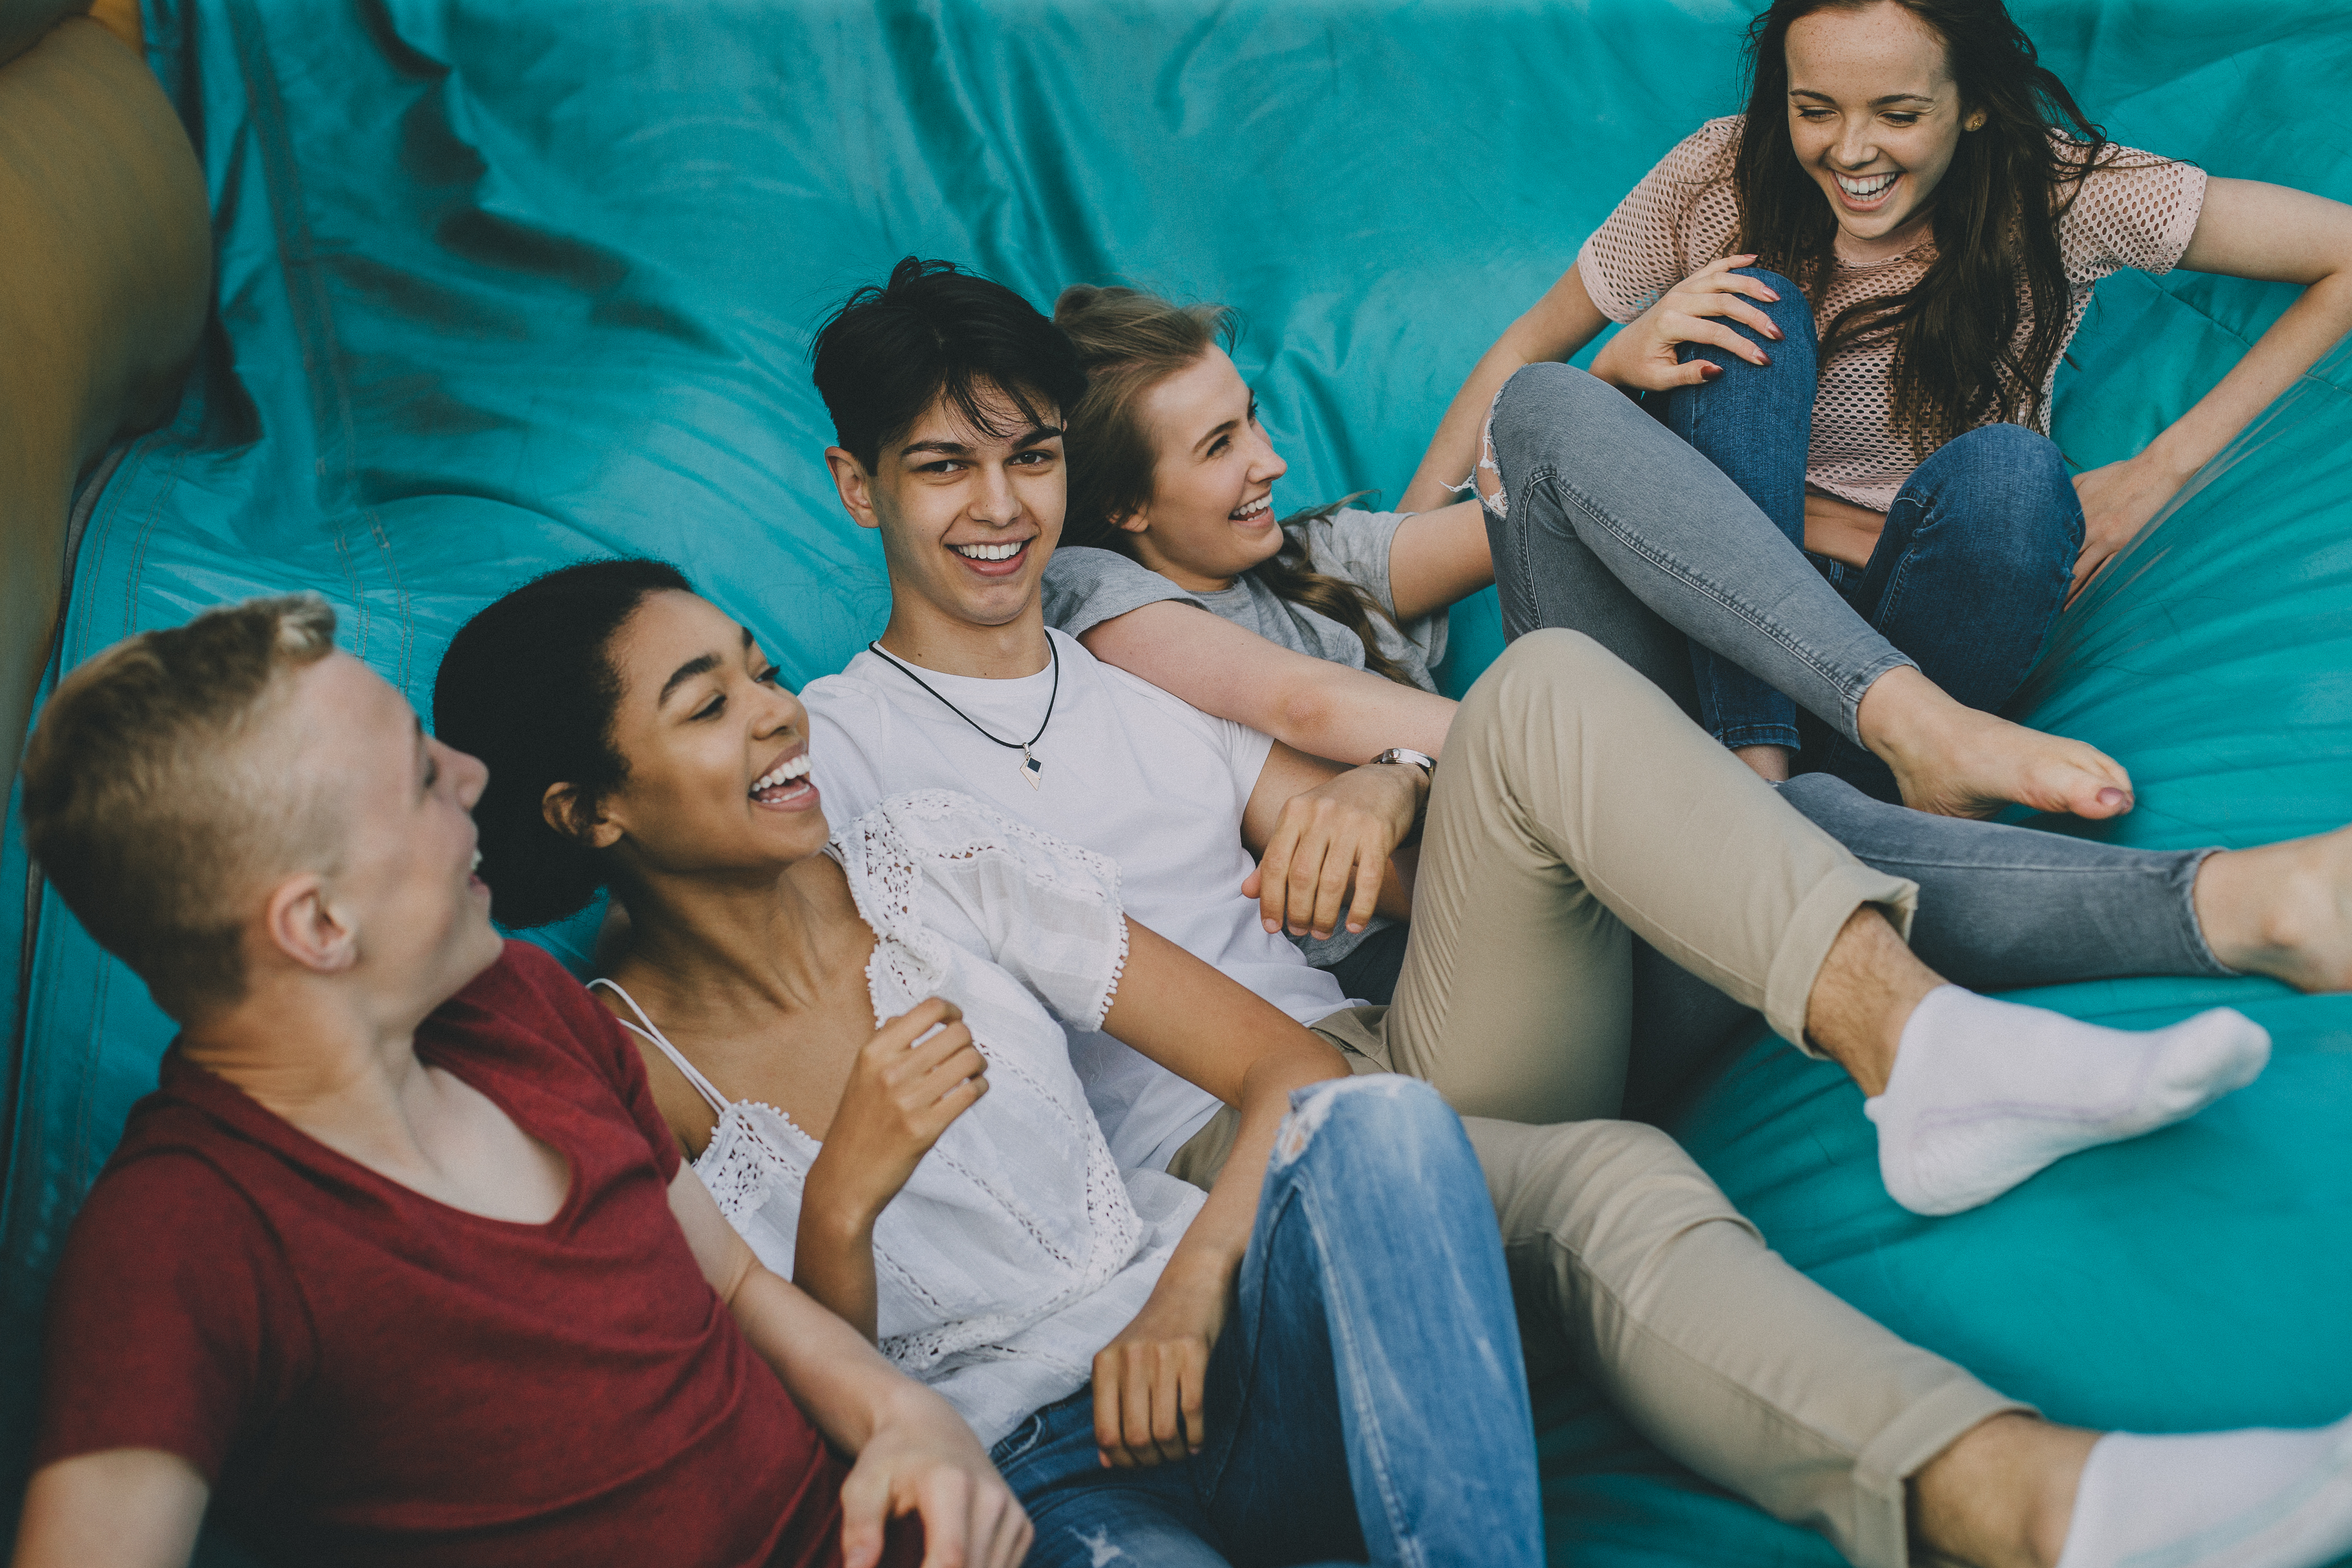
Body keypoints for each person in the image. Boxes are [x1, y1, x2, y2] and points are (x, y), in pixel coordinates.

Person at [791, 255, 2352, 1568]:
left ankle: (1927, 1044)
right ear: (858, 485)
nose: (1000, 509)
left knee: (1542, 692)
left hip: (1397, 1036)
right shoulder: (834, 751)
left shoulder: (1127, 649)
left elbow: (1354, 834)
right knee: (1610, 1157)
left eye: (1029, 461)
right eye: (944, 469)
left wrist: (1380, 792)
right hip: (1223, 1165)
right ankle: (2048, 1496)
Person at [432, 560, 1547, 1568]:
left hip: (1220, 1351)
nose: (778, 712)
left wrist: (1189, 1296)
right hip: (1032, 1483)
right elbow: (791, 1430)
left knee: (1387, 1123)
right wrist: (840, 1203)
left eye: (761, 671)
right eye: (710, 705)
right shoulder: (624, 1074)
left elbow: (1297, 1071)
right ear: (590, 811)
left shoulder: (927, 861)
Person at [1037, 280, 2352, 1048]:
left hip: (1604, 832)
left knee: (1601, 389)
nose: (1264, 455)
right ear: (1124, 510)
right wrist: (1608, 777)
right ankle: (2229, 904)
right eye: (1215, 446)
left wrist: (1609, 374)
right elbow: (1306, 705)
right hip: (1496, 952)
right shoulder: (1098, 601)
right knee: (1778, 811)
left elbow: (1512, 503)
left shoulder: (1305, 552)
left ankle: (1808, 746)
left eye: (1253, 418)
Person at [10, 595, 1026, 1568]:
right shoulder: (185, 1236)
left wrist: (908, 1419)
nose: (467, 776)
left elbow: (740, 1286)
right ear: (318, 925)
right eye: (418, 776)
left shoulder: (526, 1005)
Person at [1403, 0, 2352, 797]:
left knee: (2018, 478)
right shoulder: (1716, 176)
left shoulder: (2057, 195)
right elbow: (1529, 353)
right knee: (1747, 308)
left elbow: (2340, 251)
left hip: (1913, 622)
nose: (1851, 151)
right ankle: (1755, 773)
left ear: (1974, 103)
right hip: (1711, 600)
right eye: (1814, 109)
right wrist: (1397, 580)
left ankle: (1840, 788)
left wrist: (2159, 472)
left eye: (1897, 113)